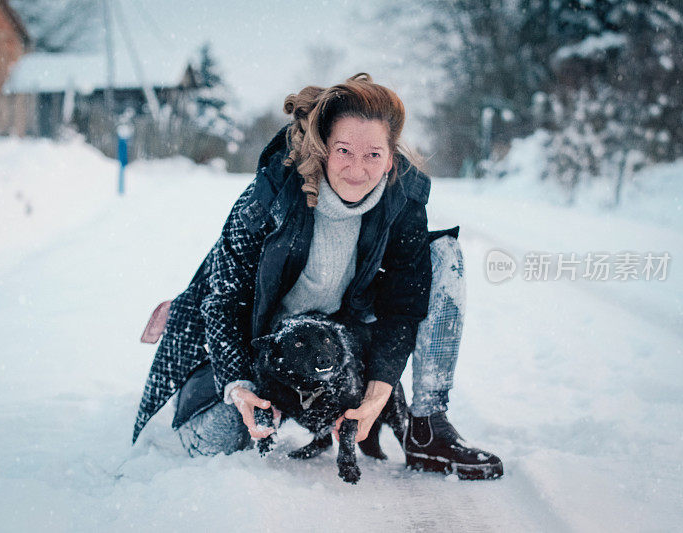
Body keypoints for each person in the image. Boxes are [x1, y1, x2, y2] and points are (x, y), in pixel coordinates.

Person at [132, 73, 503, 480]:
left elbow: (403, 301)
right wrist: (239, 386)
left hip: (333, 345)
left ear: (391, 158)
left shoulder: (402, 200)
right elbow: (224, 300)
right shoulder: (271, 193)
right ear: (323, 147)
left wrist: (380, 389)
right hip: (260, 346)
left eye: (373, 155)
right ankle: (209, 402)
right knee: (216, 445)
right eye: (344, 150)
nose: (358, 170)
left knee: (443, 255)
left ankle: (427, 425)